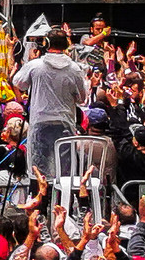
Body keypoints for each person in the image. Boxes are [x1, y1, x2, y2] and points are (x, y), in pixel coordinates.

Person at [12, 32, 91, 178]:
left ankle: (39, 198)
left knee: (38, 172)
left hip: (40, 124)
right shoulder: (74, 69)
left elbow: (18, 83)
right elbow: (82, 99)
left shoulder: (35, 66)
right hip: (64, 124)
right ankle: (62, 200)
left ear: (46, 43)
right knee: (64, 172)